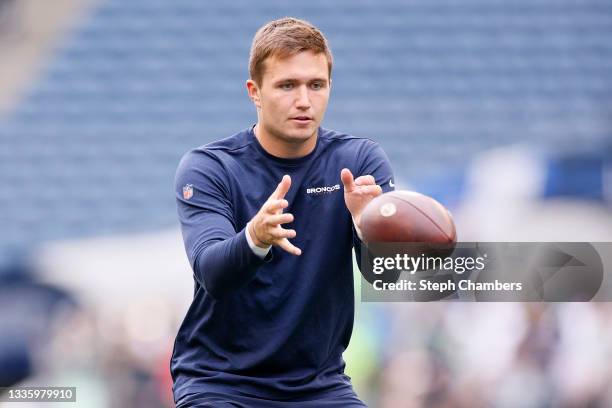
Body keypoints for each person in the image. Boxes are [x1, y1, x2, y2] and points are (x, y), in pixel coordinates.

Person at [171, 17, 394, 408]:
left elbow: (389, 276)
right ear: (254, 92)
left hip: (318, 386)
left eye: (316, 85)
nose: (304, 100)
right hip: (221, 383)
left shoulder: (359, 162)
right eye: (287, 85)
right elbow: (212, 272)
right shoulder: (209, 168)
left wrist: (366, 226)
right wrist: (254, 238)